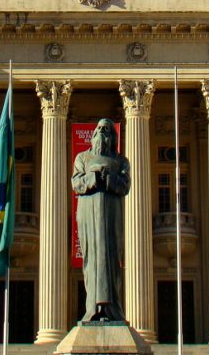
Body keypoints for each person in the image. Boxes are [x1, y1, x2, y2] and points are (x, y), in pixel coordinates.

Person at [71, 118, 130, 321]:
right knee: (91, 260)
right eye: (99, 129)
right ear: (93, 134)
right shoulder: (82, 158)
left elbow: (125, 185)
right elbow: (76, 183)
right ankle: (92, 309)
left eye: (106, 129)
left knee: (112, 260)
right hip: (88, 215)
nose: (101, 132)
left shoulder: (121, 161)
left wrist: (109, 178)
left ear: (113, 136)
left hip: (111, 216)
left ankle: (112, 310)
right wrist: (94, 178)